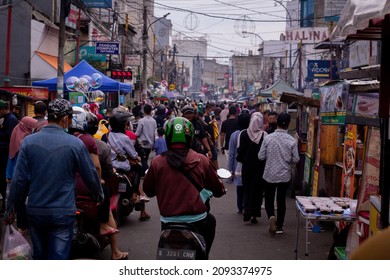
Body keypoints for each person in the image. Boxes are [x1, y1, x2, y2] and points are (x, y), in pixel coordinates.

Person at [4, 98, 104, 260]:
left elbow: (19, 179)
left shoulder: (28, 142)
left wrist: (10, 208)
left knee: (40, 256)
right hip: (62, 211)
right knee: (58, 259)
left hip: (36, 210)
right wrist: (98, 195)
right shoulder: (75, 144)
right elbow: (90, 175)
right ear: (65, 119)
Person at [143, 117, 226, 258]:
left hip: (168, 221)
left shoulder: (157, 162)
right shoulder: (202, 160)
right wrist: (220, 189)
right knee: (211, 220)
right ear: (190, 137)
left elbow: (149, 191)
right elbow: (217, 190)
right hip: (197, 221)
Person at [85, 111, 129, 260]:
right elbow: (102, 169)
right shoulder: (99, 145)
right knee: (107, 209)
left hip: (67, 189)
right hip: (92, 186)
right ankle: (115, 251)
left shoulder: (69, 141)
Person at [258, 113, 299, 235]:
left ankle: (271, 216)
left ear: (277, 123)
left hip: (269, 173)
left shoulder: (268, 138)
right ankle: (280, 226)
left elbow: (260, 156)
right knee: (281, 200)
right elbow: (296, 159)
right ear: (288, 125)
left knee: (269, 198)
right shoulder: (291, 140)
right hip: (284, 174)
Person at [108, 111, 150, 221]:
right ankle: (134, 193)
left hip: (110, 165)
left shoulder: (108, 135)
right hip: (123, 166)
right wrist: (138, 157)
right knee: (138, 168)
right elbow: (133, 154)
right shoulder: (126, 137)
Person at [5, 116, 38, 233]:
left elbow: (11, 155)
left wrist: (9, 174)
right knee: (23, 201)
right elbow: (12, 155)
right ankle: (23, 226)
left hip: (20, 175)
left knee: (21, 201)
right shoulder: (29, 140)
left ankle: (23, 226)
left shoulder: (17, 133)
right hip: (26, 176)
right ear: (27, 127)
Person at [236, 112, 267, 224]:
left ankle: (246, 210)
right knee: (258, 190)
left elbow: (239, 151)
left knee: (247, 188)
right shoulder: (265, 135)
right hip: (260, 167)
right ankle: (254, 215)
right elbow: (266, 153)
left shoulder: (243, 134)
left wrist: (242, 160)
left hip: (246, 166)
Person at [227, 112, 251, 215]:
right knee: (248, 187)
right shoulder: (253, 134)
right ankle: (247, 206)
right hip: (249, 165)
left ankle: (240, 207)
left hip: (237, 166)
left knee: (239, 187)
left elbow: (231, 154)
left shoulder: (234, 135)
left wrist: (230, 170)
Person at [0, 99, 19, 214]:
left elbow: (8, 135)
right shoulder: (6, 119)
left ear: (3, 110)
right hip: (4, 153)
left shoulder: (10, 119)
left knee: (4, 180)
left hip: (6, 154)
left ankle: (6, 207)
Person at [135, 104, 157, 173]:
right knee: (145, 158)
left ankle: (147, 172)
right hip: (151, 143)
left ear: (144, 111)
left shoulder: (141, 121)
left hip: (143, 143)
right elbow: (155, 133)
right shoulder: (154, 121)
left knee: (143, 159)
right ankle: (144, 172)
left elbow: (137, 133)